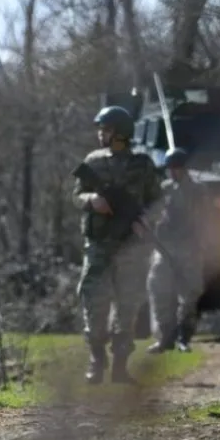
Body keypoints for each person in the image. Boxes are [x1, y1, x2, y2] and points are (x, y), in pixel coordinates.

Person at [72, 105, 162, 384]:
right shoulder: (93, 161)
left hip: (131, 247)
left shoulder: (143, 164)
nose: (101, 134)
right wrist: (91, 200)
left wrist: (144, 221)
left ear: (120, 133)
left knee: (128, 306)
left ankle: (121, 366)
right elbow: (76, 195)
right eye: (101, 129)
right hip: (98, 245)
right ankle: (96, 360)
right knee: (94, 304)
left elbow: (157, 201)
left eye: (106, 129)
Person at [145, 147, 207, 354]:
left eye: (177, 168)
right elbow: (152, 213)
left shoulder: (197, 190)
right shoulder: (164, 189)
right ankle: (164, 338)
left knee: (189, 295)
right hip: (164, 248)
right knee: (159, 290)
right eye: (170, 168)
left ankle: (184, 337)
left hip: (189, 248)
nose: (173, 172)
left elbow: (204, 218)